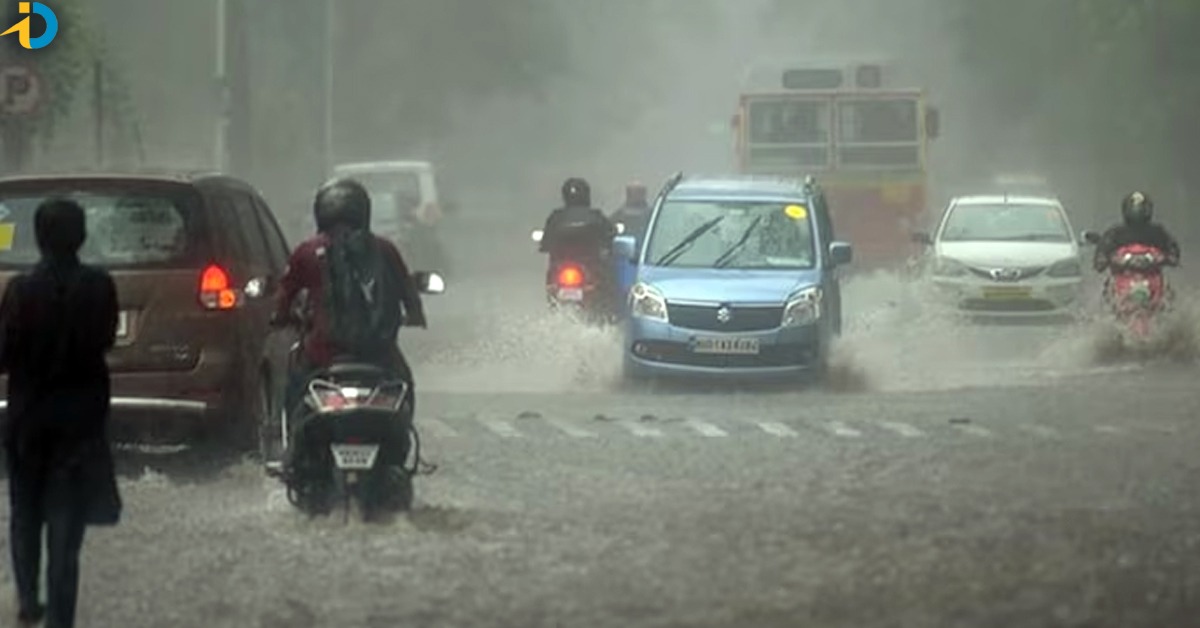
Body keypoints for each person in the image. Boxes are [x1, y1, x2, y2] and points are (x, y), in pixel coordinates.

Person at [1, 198, 121, 628]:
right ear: (82, 237)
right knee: (67, 531)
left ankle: (29, 602)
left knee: (26, 516)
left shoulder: (19, 291)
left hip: (28, 424)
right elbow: (106, 339)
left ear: (37, 238)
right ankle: (61, 619)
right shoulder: (100, 286)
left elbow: (6, 354)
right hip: (80, 425)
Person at [273, 178, 427, 426]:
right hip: (379, 353)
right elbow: (407, 291)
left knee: (295, 386)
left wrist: (280, 317)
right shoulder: (384, 249)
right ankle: (403, 438)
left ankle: (290, 448)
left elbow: (285, 294)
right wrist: (416, 315)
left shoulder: (307, 251)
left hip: (323, 354)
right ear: (363, 212)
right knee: (404, 383)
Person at [539, 177, 617, 286]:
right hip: (585, 269)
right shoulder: (595, 215)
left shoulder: (556, 216)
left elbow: (545, 243)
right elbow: (611, 233)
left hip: (578, 270)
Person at [1093, 191, 1181, 272]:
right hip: (1121, 279)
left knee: (1168, 289)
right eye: (1134, 208)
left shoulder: (1157, 232)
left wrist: (1167, 258)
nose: (1137, 211)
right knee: (1108, 288)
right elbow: (1102, 252)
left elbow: (1172, 250)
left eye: (1141, 208)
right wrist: (1104, 259)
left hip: (1153, 278)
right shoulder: (1116, 233)